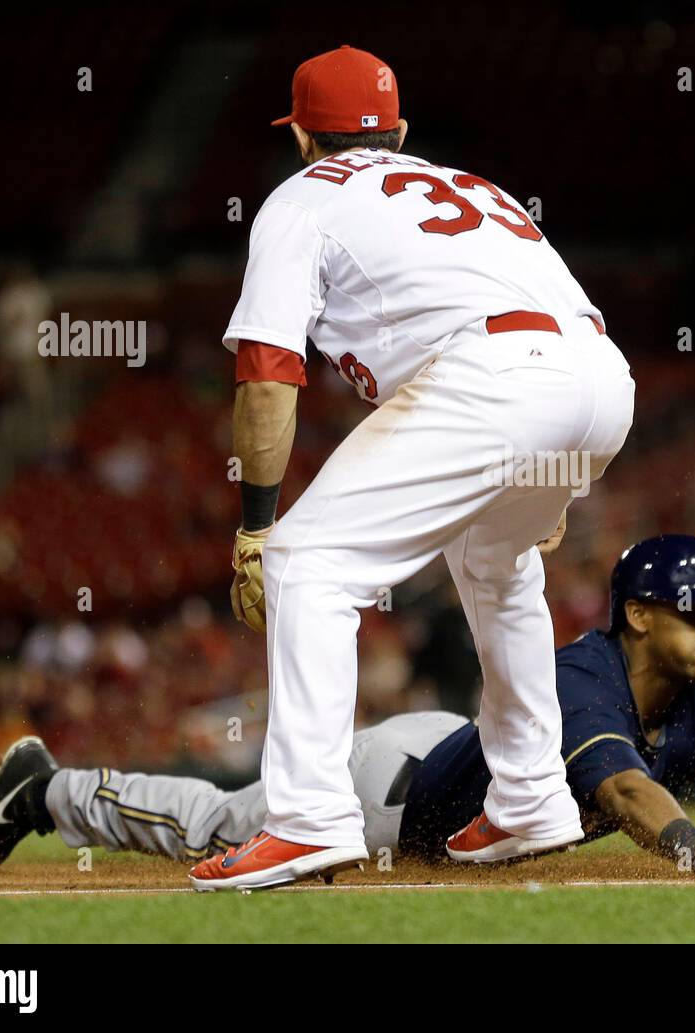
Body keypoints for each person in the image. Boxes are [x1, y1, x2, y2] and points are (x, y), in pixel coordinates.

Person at [0, 536, 695, 888]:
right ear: (641, 613)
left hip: (443, 763)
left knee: (225, 822)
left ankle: (52, 788)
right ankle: (49, 788)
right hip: (391, 800)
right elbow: (618, 787)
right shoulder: (582, 674)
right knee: (221, 826)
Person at [218, 45, 635, 889]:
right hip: (600, 376)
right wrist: (546, 466)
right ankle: (530, 796)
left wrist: (258, 522)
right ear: (400, 131)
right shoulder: (478, 188)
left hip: (498, 379)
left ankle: (306, 821)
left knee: (308, 560)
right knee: (495, 560)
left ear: (300, 136)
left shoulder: (301, 198)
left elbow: (268, 371)